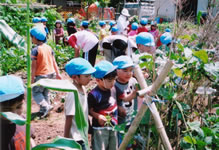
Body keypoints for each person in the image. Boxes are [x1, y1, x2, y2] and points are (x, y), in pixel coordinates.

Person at [88, 60, 136, 150]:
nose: (113, 82)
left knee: (113, 146)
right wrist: (98, 116)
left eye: (114, 79)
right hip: (100, 128)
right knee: (100, 147)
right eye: (110, 80)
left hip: (114, 126)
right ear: (98, 80)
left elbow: (124, 98)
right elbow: (89, 110)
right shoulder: (94, 94)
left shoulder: (114, 88)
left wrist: (134, 93)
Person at [64, 58, 96, 150]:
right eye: (86, 76)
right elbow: (69, 117)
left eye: (90, 75)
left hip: (82, 134)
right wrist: (65, 140)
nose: (90, 78)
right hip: (75, 138)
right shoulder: (72, 93)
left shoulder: (83, 89)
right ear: (75, 77)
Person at [31, 27, 62, 118]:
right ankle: (44, 110)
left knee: (36, 92)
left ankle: (45, 106)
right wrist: (58, 73)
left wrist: (32, 78)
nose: (31, 39)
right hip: (51, 73)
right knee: (45, 91)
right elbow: (54, 61)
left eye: (31, 37)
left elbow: (34, 66)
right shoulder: (49, 48)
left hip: (41, 74)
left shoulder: (35, 50)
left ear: (35, 38)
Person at [0, 75, 35, 150]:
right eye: (7, 110)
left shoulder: (23, 120)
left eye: (18, 107)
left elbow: (30, 139)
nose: (14, 113)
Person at [112, 56, 138, 148]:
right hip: (120, 120)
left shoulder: (133, 81)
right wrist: (118, 108)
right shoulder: (113, 85)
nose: (129, 73)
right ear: (115, 71)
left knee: (130, 139)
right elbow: (110, 101)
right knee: (121, 141)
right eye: (125, 70)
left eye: (131, 70)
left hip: (131, 117)